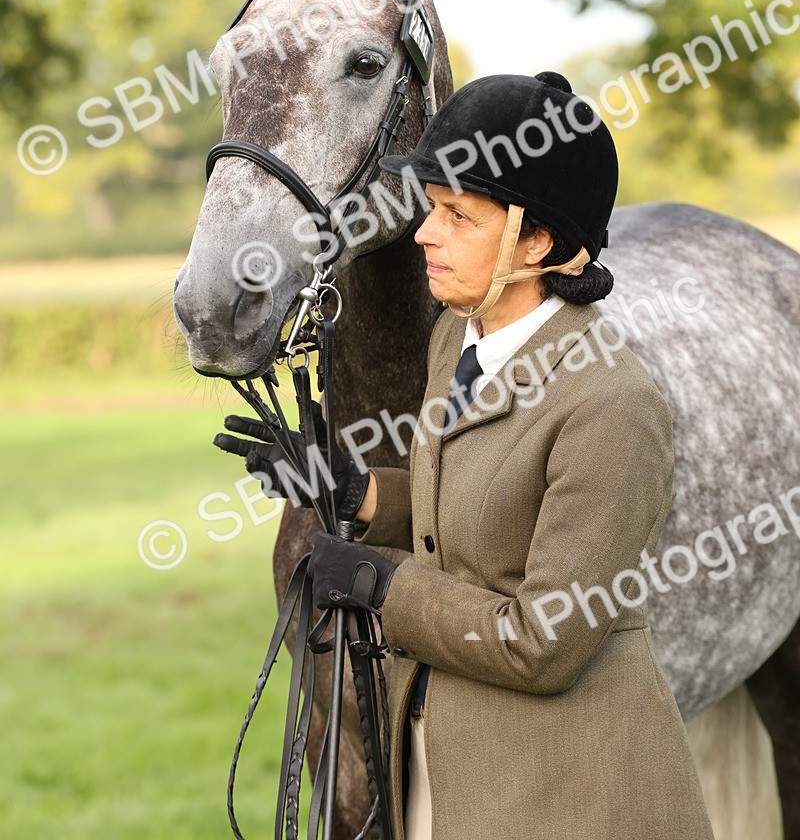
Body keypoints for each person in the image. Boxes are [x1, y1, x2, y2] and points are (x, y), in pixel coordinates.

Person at [235, 71, 716, 840]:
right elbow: (474, 511)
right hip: (437, 768)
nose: (426, 233)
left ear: (540, 242)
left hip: (566, 796)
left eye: (457, 216)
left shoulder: (611, 405)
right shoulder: (456, 338)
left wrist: (382, 583)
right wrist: (356, 492)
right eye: (430, 209)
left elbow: (544, 642)